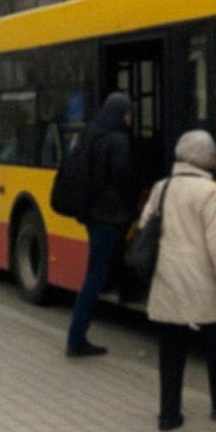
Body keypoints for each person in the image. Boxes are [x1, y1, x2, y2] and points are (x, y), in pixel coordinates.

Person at [140, 129, 216, 431]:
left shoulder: (161, 187)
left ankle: (169, 414)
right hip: (201, 279)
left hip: (167, 276)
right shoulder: (208, 192)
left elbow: (145, 226)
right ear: (203, 159)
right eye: (213, 153)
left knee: (171, 349)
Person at [66, 92, 136, 357]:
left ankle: (78, 335)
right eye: (128, 113)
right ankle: (76, 338)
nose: (130, 118)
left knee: (99, 271)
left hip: (93, 215)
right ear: (121, 114)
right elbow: (122, 178)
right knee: (94, 277)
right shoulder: (118, 140)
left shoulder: (92, 133)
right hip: (109, 217)